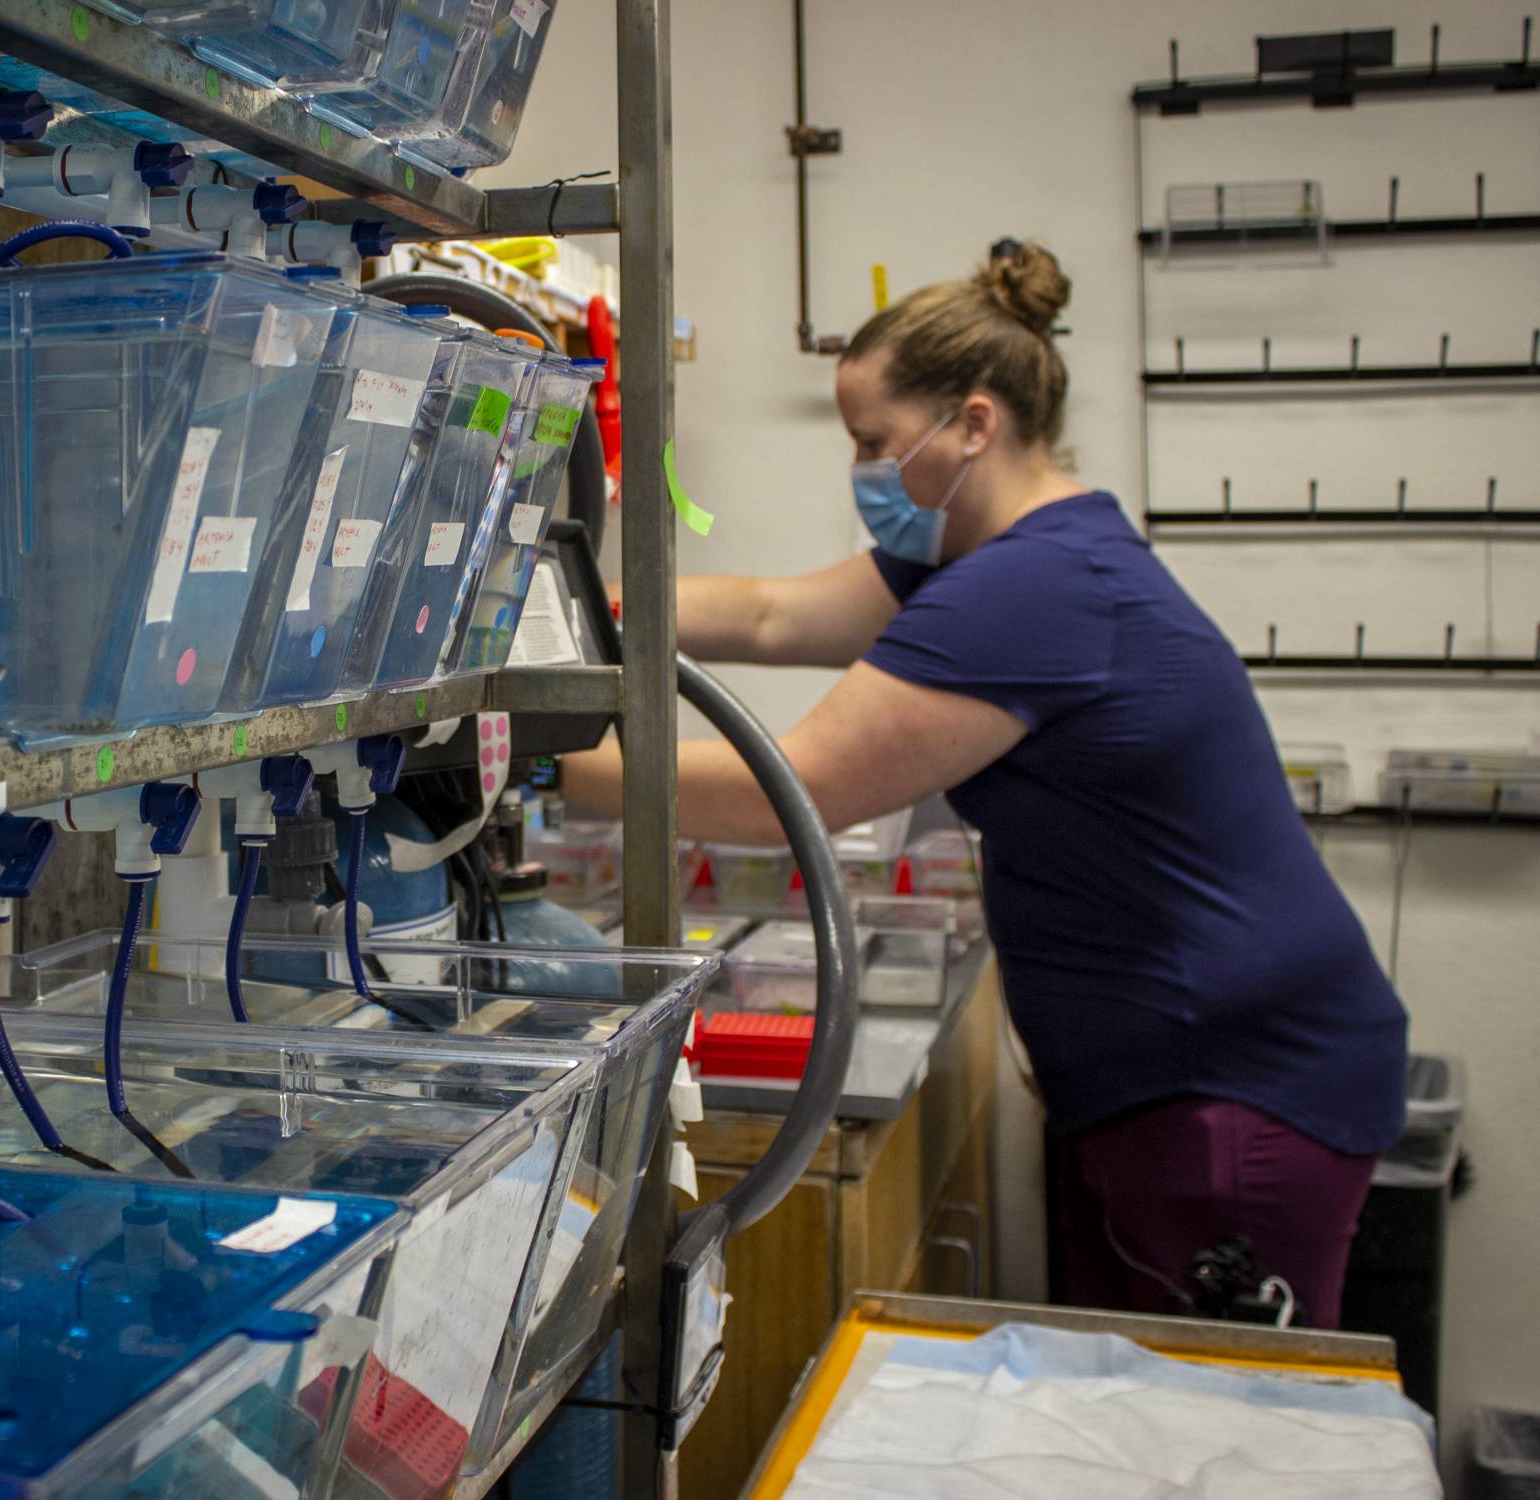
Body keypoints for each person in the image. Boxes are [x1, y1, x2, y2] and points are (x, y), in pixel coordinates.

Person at [563, 241, 1406, 1328]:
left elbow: (790, 796)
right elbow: (771, 614)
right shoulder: (1012, 552)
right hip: (1181, 1078)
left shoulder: (1029, 589)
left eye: (873, 442)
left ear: (972, 422)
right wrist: (581, 596)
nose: (861, 470)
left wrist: (522, 762)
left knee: (1219, 1423)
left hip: (1233, 1096)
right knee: (1141, 1398)